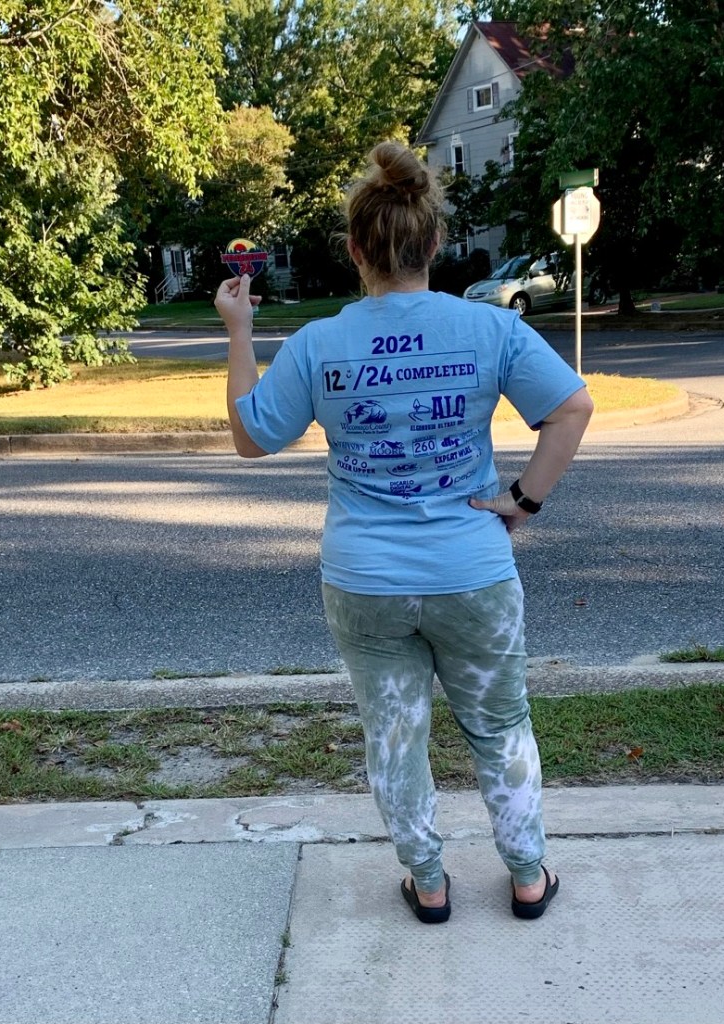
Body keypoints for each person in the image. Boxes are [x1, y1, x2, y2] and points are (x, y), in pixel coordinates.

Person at [214, 141, 593, 924]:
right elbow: (571, 408)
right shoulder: (487, 330)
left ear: (357, 251)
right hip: (473, 571)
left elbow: (253, 437)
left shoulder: (321, 343)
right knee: (500, 724)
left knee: (394, 737)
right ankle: (527, 876)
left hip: (366, 580)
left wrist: (240, 330)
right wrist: (524, 498)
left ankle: (428, 883)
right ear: (435, 245)